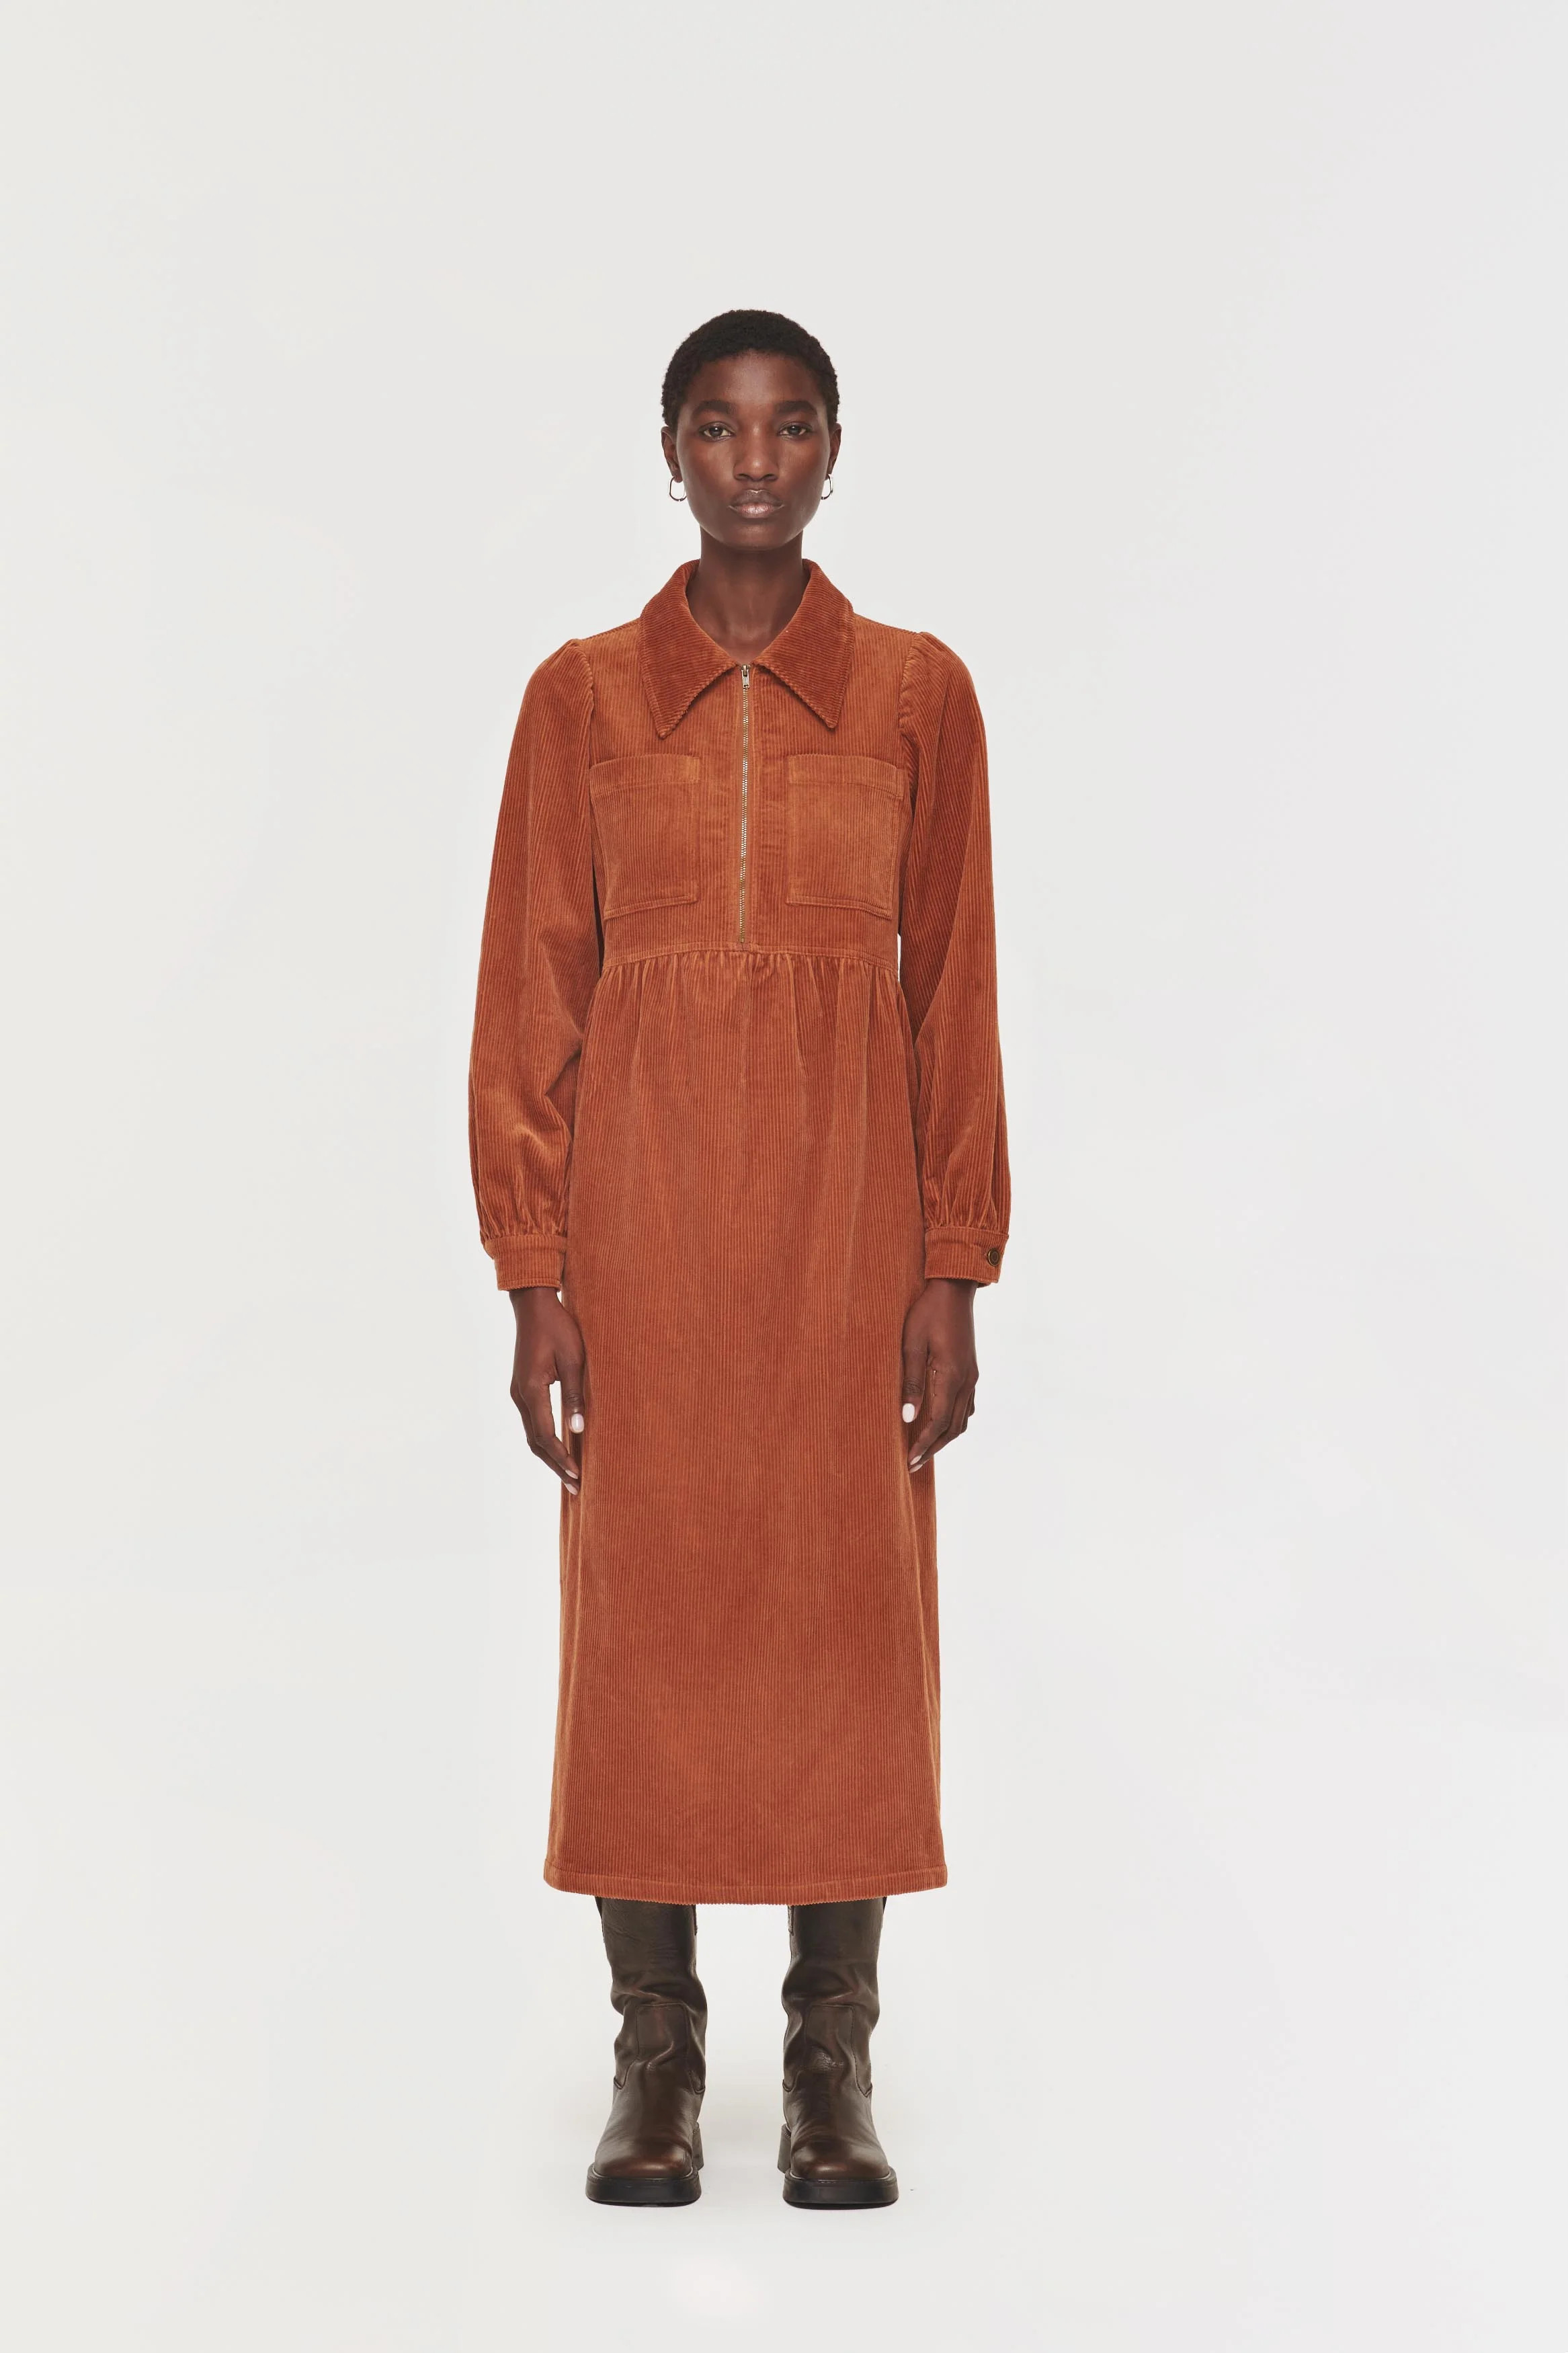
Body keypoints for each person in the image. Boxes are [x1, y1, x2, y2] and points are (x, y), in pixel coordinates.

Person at [468, 309, 1009, 2208]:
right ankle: (657, 2053)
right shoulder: (582, 700)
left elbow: (954, 992)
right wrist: (534, 1271)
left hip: (854, 1240)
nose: (754, 461)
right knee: (647, 1624)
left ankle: (830, 2057)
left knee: (851, 1627)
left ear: (835, 449)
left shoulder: (920, 695)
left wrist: (954, 1263)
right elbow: (530, 991)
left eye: (788, 427)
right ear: (671, 452)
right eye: (717, 426)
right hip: (644, 1243)